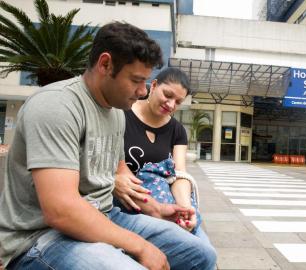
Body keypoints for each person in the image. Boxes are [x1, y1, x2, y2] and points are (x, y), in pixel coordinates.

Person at [0, 22, 216, 270]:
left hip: (107, 217)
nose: (142, 91)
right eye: (136, 80)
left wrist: (157, 209)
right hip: (41, 237)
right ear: (105, 65)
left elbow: (121, 174)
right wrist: (141, 246)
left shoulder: (116, 114)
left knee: (201, 255)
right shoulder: (56, 106)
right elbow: (61, 211)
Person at [113, 67, 208, 241]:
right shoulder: (121, 115)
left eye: (178, 102)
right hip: (126, 203)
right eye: (168, 95)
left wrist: (186, 209)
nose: (171, 105)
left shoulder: (177, 130)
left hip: (165, 201)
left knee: (202, 245)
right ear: (154, 85)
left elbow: (179, 174)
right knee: (195, 250)